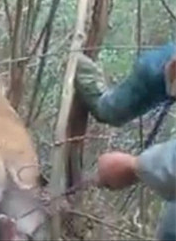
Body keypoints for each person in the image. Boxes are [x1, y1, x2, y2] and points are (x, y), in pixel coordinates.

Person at [74, 42, 176, 240]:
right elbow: (155, 71)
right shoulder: (160, 66)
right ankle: (107, 104)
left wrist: (136, 166)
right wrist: (111, 107)